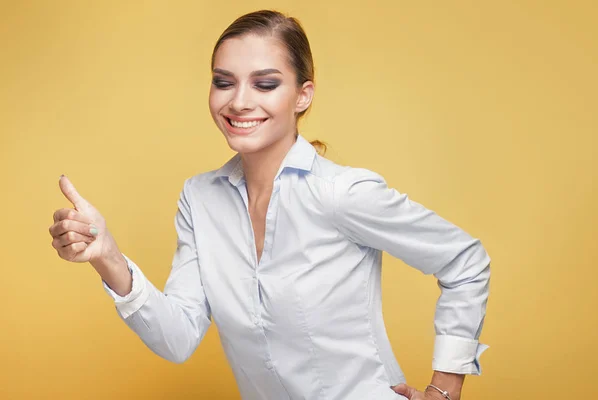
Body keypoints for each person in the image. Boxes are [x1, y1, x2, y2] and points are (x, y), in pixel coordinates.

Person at [49, 10, 490, 400]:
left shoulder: (339, 193)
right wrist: (107, 257)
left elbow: (465, 261)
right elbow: (178, 338)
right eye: (224, 82)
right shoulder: (200, 199)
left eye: (265, 83)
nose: (239, 101)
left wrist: (443, 390)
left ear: (303, 95)